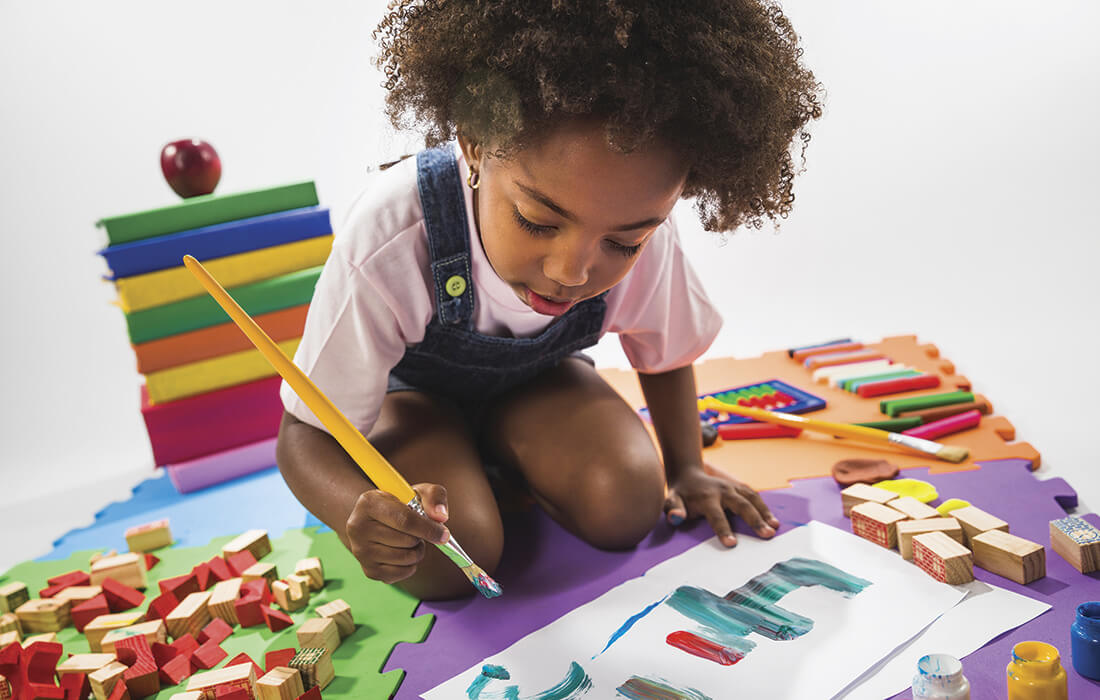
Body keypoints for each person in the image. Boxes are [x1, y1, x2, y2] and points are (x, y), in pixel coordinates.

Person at [276, 0, 823, 600]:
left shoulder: (647, 232)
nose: (572, 271)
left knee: (627, 504)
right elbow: (303, 435)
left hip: (540, 387)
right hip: (413, 404)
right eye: (538, 221)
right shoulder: (393, 236)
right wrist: (356, 509)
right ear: (475, 143)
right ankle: (473, 466)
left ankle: (499, 458)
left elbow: (664, 352)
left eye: (623, 243)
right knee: (446, 556)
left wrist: (687, 467)